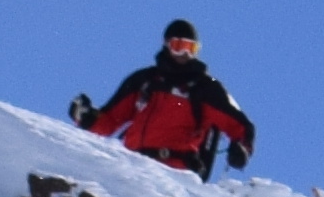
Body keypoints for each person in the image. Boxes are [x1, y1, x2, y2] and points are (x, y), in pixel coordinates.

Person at [78, 21, 259, 179]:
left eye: (191, 48)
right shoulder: (144, 81)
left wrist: (241, 149)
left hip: (174, 173)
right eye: (178, 45)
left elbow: (241, 126)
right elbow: (110, 120)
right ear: (166, 44)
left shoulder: (205, 88)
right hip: (132, 165)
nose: (184, 53)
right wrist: (86, 118)